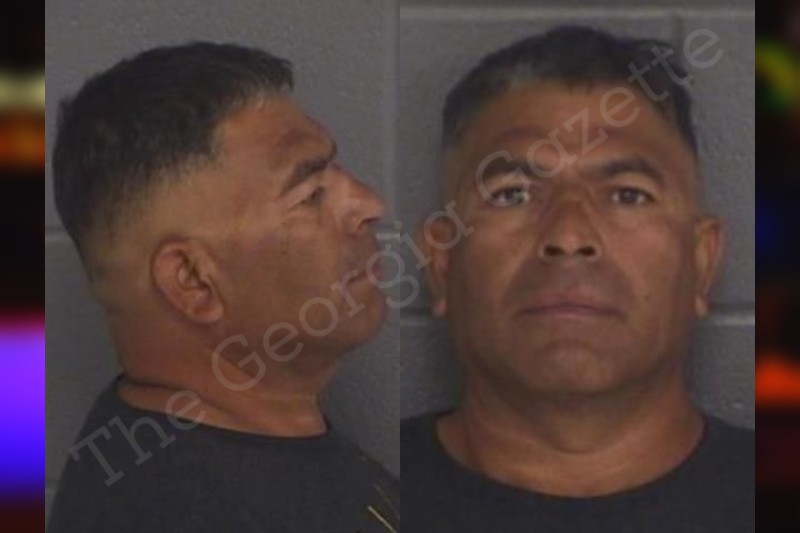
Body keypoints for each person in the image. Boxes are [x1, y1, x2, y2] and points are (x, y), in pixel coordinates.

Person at [403, 26, 753, 532]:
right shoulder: (362, 496)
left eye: (628, 194)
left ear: (702, 261)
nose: (569, 236)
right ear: (441, 263)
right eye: (512, 194)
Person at [48, 42, 398, 532]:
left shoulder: (244, 450)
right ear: (193, 281)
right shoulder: (183, 512)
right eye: (310, 194)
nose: (370, 204)